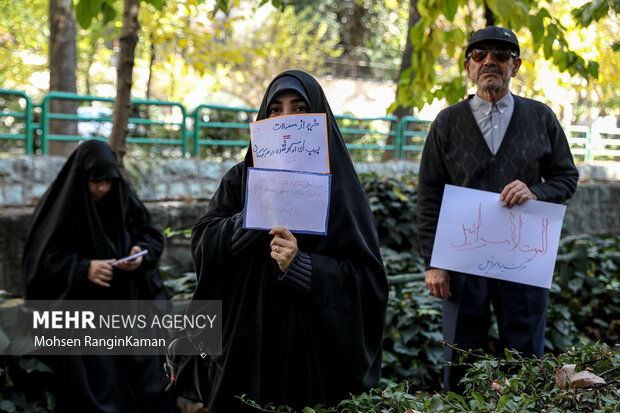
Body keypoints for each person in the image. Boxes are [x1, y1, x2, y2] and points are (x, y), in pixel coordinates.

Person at [190, 70, 388, 411]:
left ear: (317, 117)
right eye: (275, 110)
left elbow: (367, 282)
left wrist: (303, 267)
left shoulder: (340, 188)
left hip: (310, 357)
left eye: (299, 109)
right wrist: (246, 222)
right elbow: (203, 241)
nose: (286, 120)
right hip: (243, 346)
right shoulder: (239, 179)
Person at [416, 26, 579, 393]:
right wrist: (433, 261)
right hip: (460, 260)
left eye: (501, 54)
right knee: (459, 358)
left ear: (515, 65)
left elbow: (567, 177)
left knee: (526, 359)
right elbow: (429, 194)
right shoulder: (446, 122)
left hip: (523, 259)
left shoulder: (541, 118)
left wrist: (536, 192)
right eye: (479, 54)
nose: (490, 60)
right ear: (468, 67)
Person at [22, 140, 174, 412]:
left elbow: (151, 236)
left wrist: (141, 255)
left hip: (129, 301)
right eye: (96, 182)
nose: (103, 189)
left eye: (108, 181)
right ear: (83, 178)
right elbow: (43, 259)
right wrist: (84, 268)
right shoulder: (61, 205)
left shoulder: (121, 196)